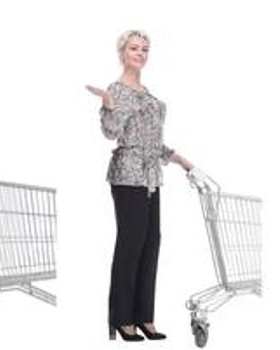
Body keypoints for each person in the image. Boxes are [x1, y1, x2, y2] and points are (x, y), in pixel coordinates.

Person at [87, 30, 194, 343]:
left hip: (150, 177)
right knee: (131, 244)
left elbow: (153, 142)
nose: (141, 53)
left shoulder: (147, 92)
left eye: (145, 49)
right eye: (134, 48)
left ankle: (144, 316)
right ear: (122, 52)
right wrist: (109, 105)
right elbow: (111, 132)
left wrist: (179, 159)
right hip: (128, 175)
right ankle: (122, 319)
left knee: (151, 244)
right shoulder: (117, 89)